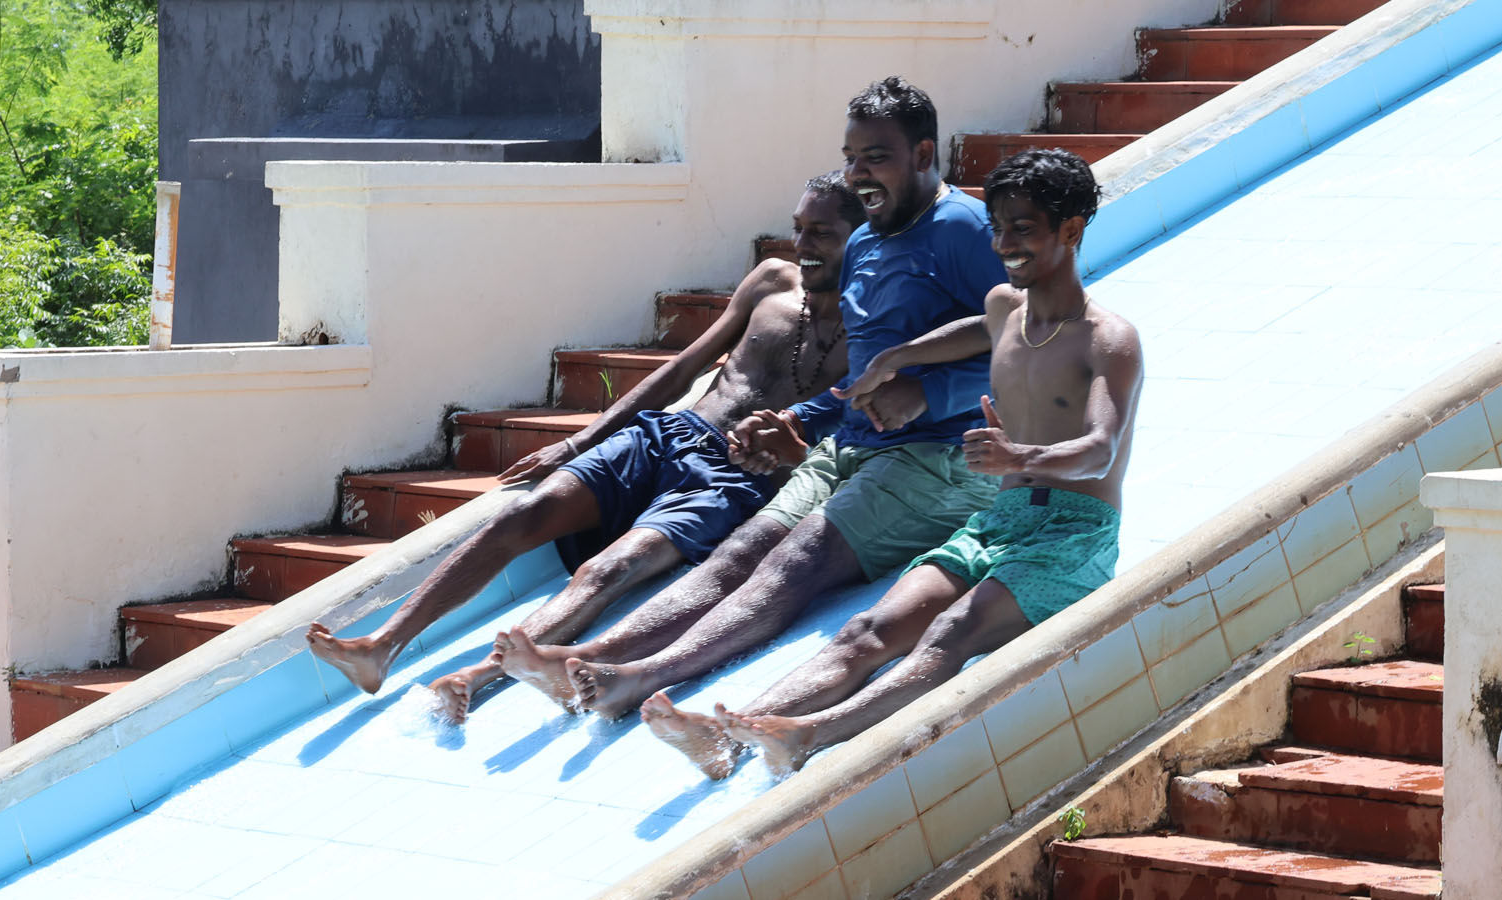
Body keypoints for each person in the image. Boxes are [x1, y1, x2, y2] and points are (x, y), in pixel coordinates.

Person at [496, 78, 1010, 763]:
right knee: (740, 552)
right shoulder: (862, 245)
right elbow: (861, 382)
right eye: (850, 158)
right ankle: (592, 660)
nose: (859, 174)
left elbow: (1030, 343)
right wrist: (795, 419)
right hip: (853, 447)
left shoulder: (965, 230)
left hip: (942, 458)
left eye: (877, 157)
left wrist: (930, 392)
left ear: (923, 154)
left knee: (795, 560)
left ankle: (641, 678)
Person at [640, 148, 1144, 778]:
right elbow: (971, 331)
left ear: (1070, 230)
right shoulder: (1005, 308)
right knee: (867, 630)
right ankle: (725, 739)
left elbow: (1101, 446)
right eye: (998, 228)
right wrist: (895, 358)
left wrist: (1020, 455)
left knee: (950, 632)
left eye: (1023, 229)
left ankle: (807, 735)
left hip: (1072, 535)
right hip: (1002, 521)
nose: (1004, 245)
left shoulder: (1107, 339)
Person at [305, 172, 866, 721]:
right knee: (522, 514)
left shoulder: (875, 331)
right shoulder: (772, 281)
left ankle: (475, 677)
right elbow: (682, 370)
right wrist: (580, 440)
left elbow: (845, 434)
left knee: (612, 567)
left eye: (821, 234)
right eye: (798, 228)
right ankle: (381, 646)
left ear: (863, 239)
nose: (803, 244)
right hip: (665, 436)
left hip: (730, 480)